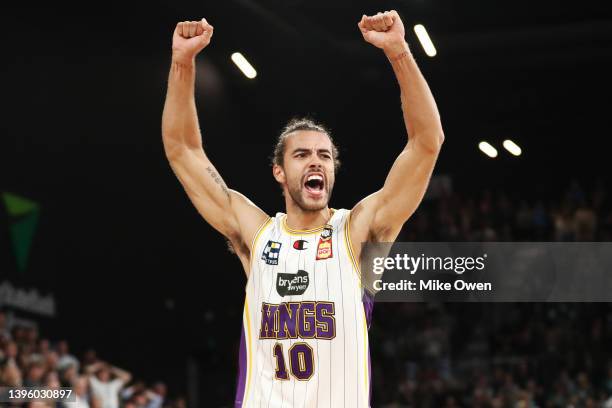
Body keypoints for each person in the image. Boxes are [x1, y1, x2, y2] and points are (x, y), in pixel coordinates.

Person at [162, 10, 443, 408]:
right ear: (279, 170)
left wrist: (399, 53)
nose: (316, 162)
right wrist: (182, 63)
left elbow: (427, 142)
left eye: (324, 156)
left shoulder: (359, 231)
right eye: (302, 155)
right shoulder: (257, 235)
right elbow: (182, 149)